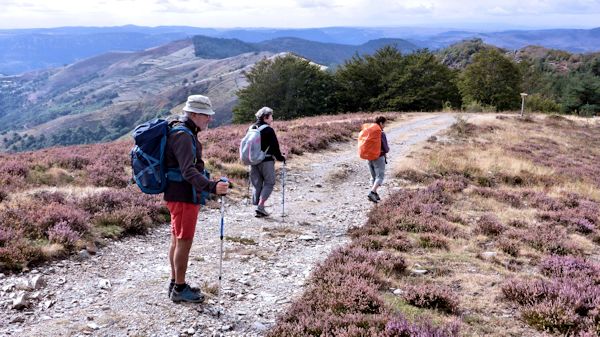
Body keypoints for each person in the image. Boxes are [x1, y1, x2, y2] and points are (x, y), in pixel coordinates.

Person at [164, 94, 229, 303]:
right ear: (193, 114)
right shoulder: (183, 135)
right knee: (184, 241)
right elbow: (188, 172)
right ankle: (180, 289)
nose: (209, 119)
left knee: (177, 239)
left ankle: (175, 283)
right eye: (205, 115)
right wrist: (212, 187)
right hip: (183, 195)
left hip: (177, 193)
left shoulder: (182, 131)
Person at [250, 107, 286, 217]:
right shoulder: (269, 130)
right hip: (267, 161)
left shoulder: (251, 128)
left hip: (253, 161)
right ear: (265, 117)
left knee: (257, 184)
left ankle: (257, 207)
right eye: (271, 116)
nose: (272, 119)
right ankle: (260, 207)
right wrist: (281, 158)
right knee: (269, 182)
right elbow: (275, 147)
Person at [367, 116, 389, 203]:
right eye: (384, 124)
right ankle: (372, 193)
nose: (385, 126)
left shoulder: (368, 131)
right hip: (379, 157)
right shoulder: (380, 133)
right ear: (380, 123)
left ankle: (375, 194)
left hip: (368, 156)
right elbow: (386, 148)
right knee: (380, 176)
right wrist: (386, 150)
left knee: (373, 177)